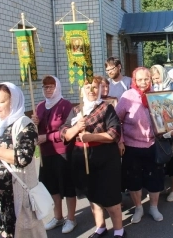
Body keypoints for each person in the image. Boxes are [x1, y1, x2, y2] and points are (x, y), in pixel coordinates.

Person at [0, 82, 46, 238]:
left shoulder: (24, 125)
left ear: (13, 102)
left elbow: (23, 158)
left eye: (1, 101)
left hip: (13, 197)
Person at [60, 76, 126, 238]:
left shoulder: (106, 108)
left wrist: (91, 137)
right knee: (93, 197)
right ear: (82, 90)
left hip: (105, 159)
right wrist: (76, 128)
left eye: (95, 87)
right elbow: (64, 133)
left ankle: (118, 229)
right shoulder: (76, 111)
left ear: (100, 89)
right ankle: (100, 227)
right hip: (82, 159)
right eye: (87, 87)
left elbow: (114, 133)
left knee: (110, 198)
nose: (91, 90)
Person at [116, 67, 173, 223]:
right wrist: (120, 140)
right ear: (134, 80)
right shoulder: (127, 96)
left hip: (153, 145)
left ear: (150, 79)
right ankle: (138, 208)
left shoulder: (157, 96)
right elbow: (116, 121)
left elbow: (164, 124)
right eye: (139, 79)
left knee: (155, 179)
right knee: (134, 180)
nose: (143, 82)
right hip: (132, 146)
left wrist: (170, 131)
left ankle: (153, 207)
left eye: (146, 79)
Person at [31, 76, 77, 233]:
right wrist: (34, 123)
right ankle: (58, 217)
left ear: (57, 87)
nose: (48, 90)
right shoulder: (40, 106)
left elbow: (67, 129)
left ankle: (71, 218)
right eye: (45, 87)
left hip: (63, 152)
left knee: (68, 186)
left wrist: (46, 137)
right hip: (46, 153)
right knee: (52, 187)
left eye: (51, 87)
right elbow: (37, 131)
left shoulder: (65, 105)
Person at [150, 65, 173, 202]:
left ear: (163, 75)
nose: (156, 80)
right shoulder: (152, 89)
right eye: (153, 78)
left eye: (157, 77)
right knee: (162, 158)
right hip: (160, 130)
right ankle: (165, 186)